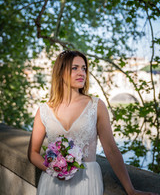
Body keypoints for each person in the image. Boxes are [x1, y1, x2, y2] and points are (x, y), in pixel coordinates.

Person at [28, 50, 159, 195]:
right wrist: (54, 169)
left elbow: (111, 149)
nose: (82, 73)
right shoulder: (44, 110)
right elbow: (33, 153)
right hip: (52, 184)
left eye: (84, 68)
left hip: (86, 181)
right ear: (60, 72)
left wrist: (131, 190)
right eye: (75, 68)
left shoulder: (96, 105)